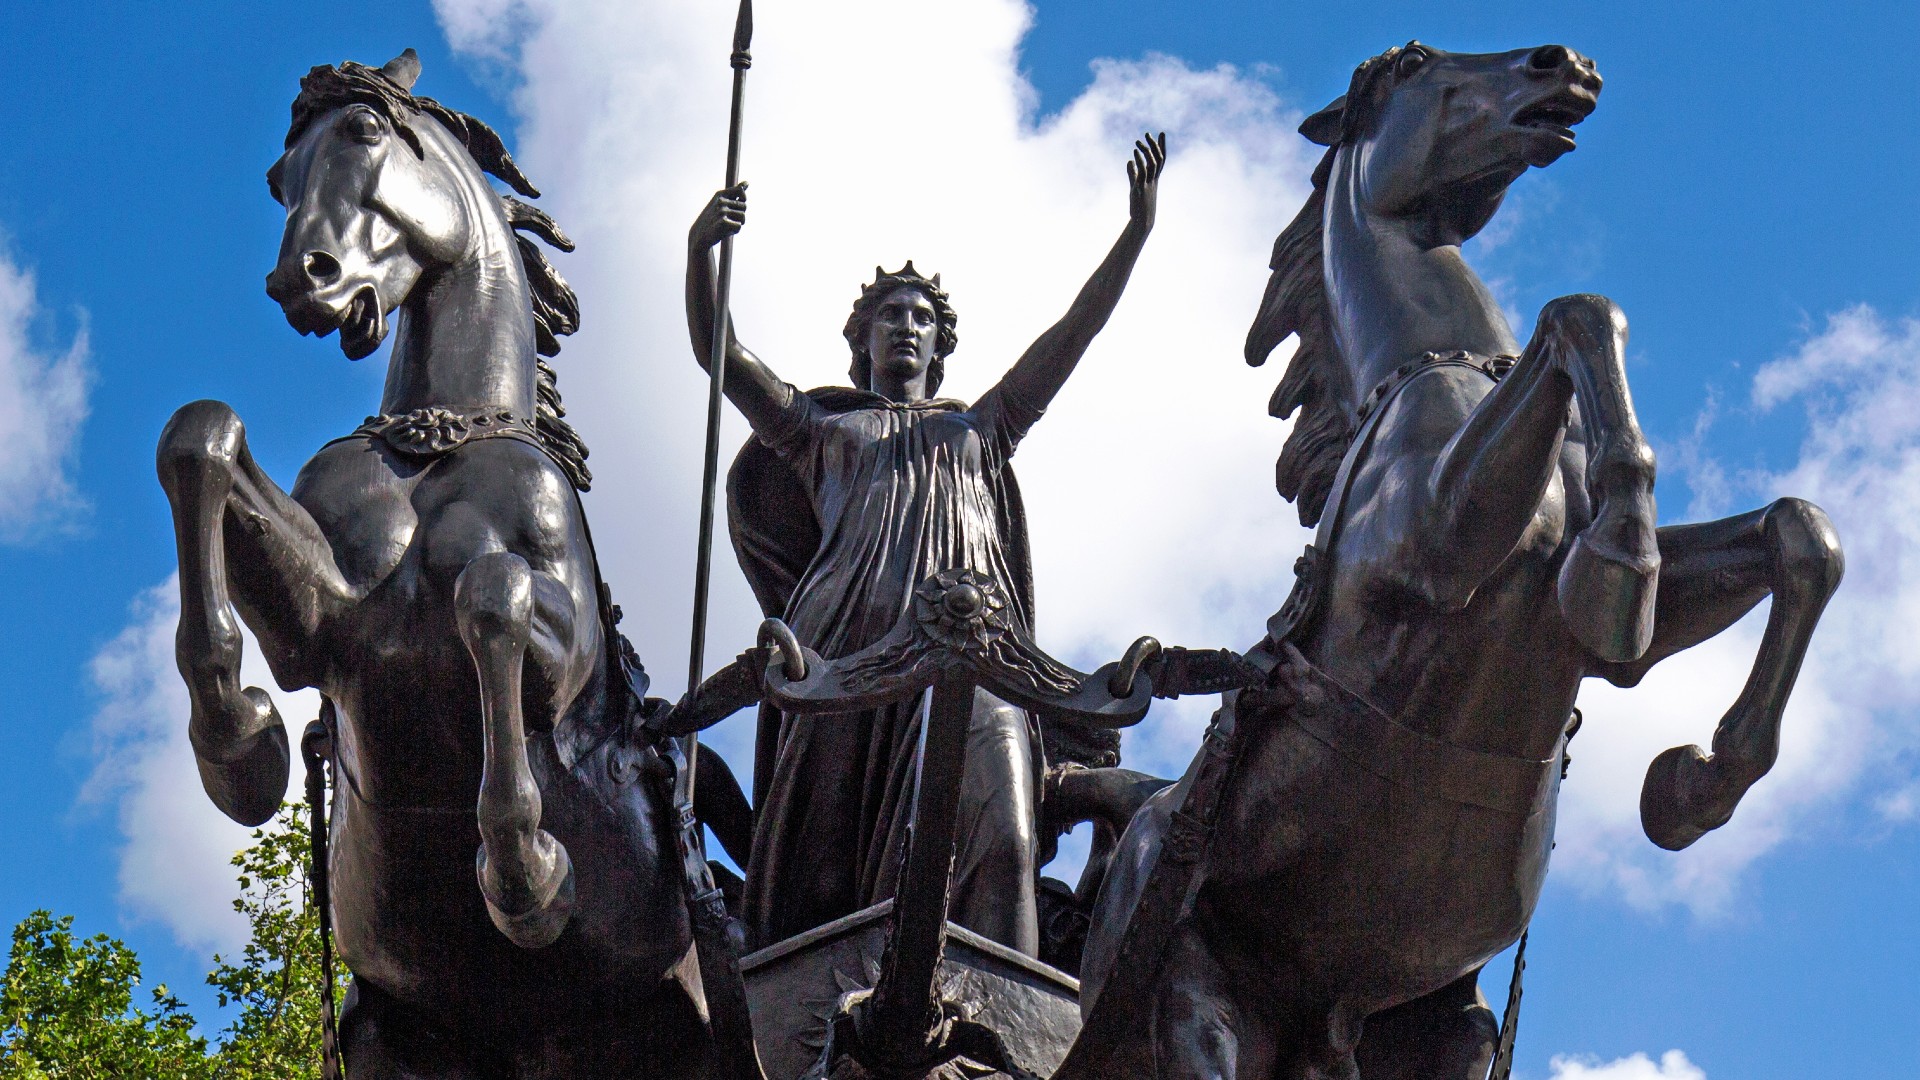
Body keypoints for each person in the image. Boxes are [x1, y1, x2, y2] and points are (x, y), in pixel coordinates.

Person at [685, 133, 1166, 956]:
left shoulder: (985, 426)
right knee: (816, 873)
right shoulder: (818, 429)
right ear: (861, 340)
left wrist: (1134, 234)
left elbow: (1074, 332)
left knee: (998, 817)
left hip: (977, 657)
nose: (904, 328)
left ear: (941, 345)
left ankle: (998, 1002)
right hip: (842, 661)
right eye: (887, 318)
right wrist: (701, 251)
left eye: (920, 318)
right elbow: (719, 355)